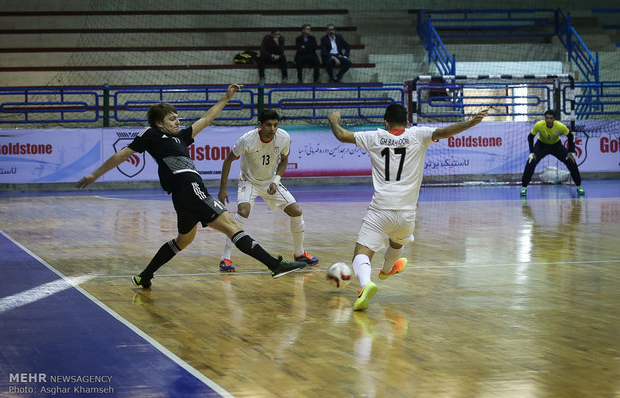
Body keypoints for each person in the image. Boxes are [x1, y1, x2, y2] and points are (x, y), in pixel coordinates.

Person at [75, 84, 306, 288]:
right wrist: (95, 174)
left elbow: (206, 119)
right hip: (190, 187)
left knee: (183, 241)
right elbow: (123, 155)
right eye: (172, 119)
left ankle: (144, 276)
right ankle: (274, 265)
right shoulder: (151, 134)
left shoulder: (181, 137)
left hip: (183, 195)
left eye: (178, 118)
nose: (178, 121)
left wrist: (225, 99)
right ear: (159, 123)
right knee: (231, 226)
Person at [328, 104, 488, 311]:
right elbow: (445, 131)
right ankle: (386, 270)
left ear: (385, 122)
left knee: (362, 252)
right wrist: (471, 123)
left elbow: (342, 136)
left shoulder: (374, 137)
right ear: (407, 122)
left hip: (381, 208)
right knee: (397, 242)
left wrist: (333, 120)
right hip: (408, 212)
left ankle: (365, 285)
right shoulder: (418, 135)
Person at [218, 109, 319, 272]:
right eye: (269, 125)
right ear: (260, 125)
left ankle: (299, 253)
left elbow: (284, 161)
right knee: (243, 212)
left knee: (296, 211)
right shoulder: (247, 140)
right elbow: (228, 160)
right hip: (248, 181)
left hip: (269, 181)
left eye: (276, 125)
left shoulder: (283, 137)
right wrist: (222, 189)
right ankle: (225, 258)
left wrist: (276, 180)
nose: (272, 129)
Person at [520, 109, 584, 197]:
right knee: (531, 162)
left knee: (571, 161)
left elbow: (570, 136)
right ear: (544, 118)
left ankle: (579, 186)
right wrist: (531, 152)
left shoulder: (560, 126)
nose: (549, 120)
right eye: (547, 118)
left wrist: (571, 152)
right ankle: (524, 188)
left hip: (556, 146)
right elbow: (530, 137)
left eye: (551, 118)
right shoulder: (539, 125)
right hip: (541, 146)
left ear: (554, 119)